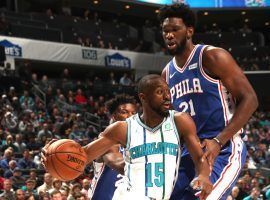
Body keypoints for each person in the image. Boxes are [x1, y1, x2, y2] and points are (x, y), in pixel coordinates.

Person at [42, 75, 212, 200]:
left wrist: (204, 176)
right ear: (143, 98)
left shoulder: (180, 121)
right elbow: (84, 154)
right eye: (160, 92)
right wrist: (52, 156)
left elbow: (199, 158)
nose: (168, 96)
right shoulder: (122, 129)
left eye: (168, 91)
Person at [158, 3, 258, 200]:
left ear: (189, 31)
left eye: (175, 29)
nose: (169, 35)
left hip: (223, 147)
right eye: (165, 30)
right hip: (189, 153)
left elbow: (251, 99)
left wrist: (219, 141)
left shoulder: (212, 56)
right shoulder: (166, 74)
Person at [89, 94, 137, 200]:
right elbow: (116, 162)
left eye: (133, 113)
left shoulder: (139, 141)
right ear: (114, 116)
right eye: (124, 112)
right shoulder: (107, 140)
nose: (130, 116)